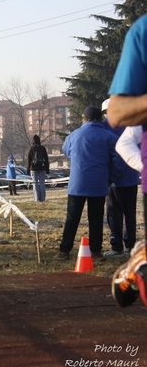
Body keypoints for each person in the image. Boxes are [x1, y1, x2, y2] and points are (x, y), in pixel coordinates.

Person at [107, 13, 147, 307]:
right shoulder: (143, 31)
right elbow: (118, 114)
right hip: (126, 180)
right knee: (116, 215)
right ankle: (139, 266)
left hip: (127, 180)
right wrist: (141, 166)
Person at [57, 106, 125, 260]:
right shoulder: (109, 137)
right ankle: (95, 252)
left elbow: (67, 151)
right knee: (96, 218)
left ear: (84, 118)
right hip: (99, 183)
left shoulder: (73, 136)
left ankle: (64, 250)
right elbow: (119, 160)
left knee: (72, 218)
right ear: (100, 118)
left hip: (77, 183)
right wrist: (111, 178)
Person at [101, 99, 140, 258]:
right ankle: (130, 247)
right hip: (131, 177)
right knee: (129, 214)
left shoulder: (105, 126)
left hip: (114, 180)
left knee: (113, 213)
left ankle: (116, 247)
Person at [27, 135, 49, 202]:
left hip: (34, 169)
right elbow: (46, 159)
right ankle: (42, 199)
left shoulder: (32, 149)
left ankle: (37, 199)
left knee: (35, 183)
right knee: (42, 183)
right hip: (42, 168)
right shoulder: (43, 148)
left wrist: (28, 169)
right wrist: (47, 169)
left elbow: (29, 160)